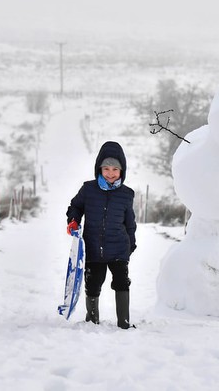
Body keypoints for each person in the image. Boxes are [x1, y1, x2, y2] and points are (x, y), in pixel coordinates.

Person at [66, 141, 137, 329]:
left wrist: (131, 244)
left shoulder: (126, 194)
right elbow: (76, 206)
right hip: (93, 247)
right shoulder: (88, 189)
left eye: (115, 169)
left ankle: (124, 322)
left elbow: (130, 222)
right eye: (106, 168)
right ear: (99, 168)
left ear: (122, 170)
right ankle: (92, 320)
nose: (110, 173)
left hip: (119, 248)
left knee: (122, 282)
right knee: (93, 283)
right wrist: (73, 220)